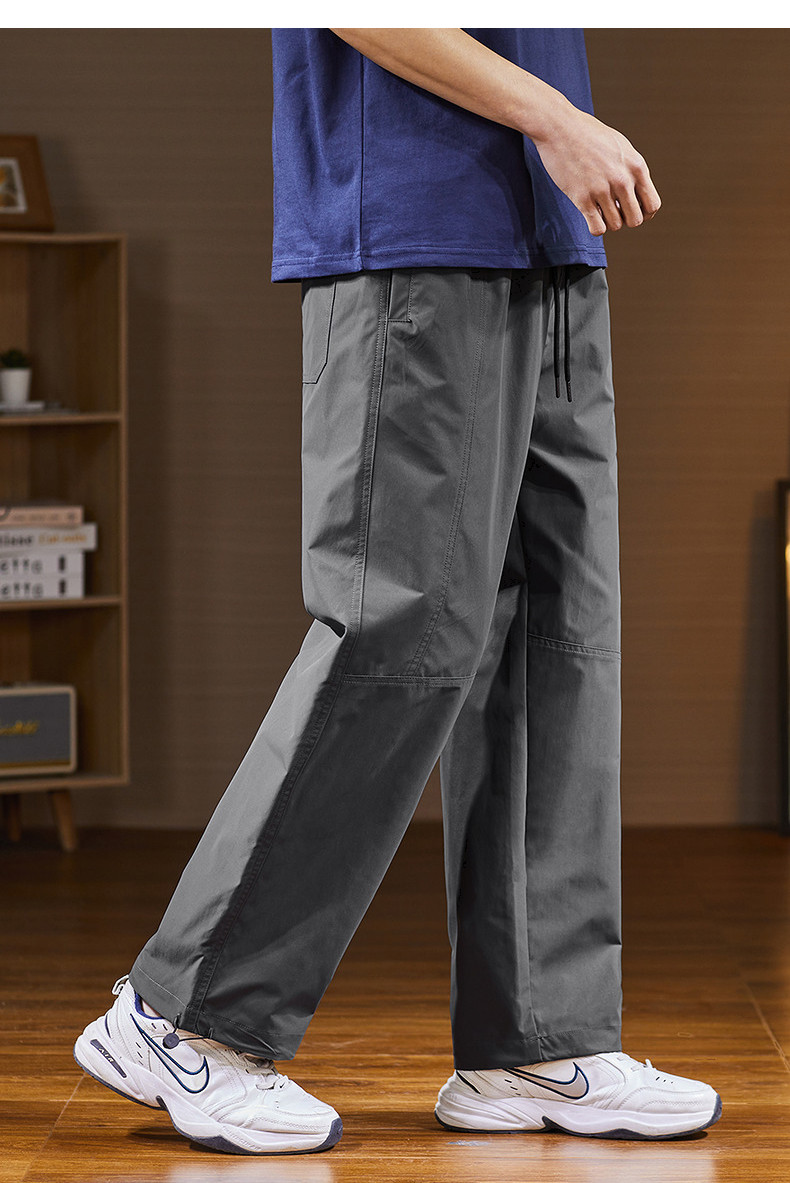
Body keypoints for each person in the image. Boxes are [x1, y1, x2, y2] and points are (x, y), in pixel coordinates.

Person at [73, 28, 722, 1155]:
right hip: (416, 231)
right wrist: (556, 119)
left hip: (551, 241)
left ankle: (536, 1041)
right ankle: (183, 1018)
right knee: (399, 624)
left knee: (558, 635)